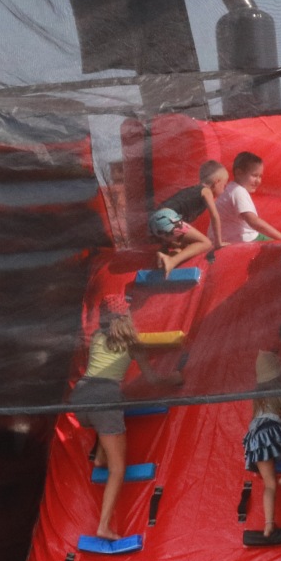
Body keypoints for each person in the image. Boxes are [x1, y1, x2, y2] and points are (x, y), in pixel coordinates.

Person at [70, 295, 178, 540]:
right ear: (126, 316)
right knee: (118, 469)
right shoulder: (132, 343)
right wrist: (173, 379)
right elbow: (152, 379)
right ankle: (104, 526)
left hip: (80, 399)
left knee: (104, 426)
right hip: (105, 400)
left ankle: (99, 457)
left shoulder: (97, 337)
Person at [242, 351, 281, 538]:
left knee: (269, 484)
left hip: (255, 439)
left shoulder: (257, 396)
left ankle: (268, 525)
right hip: (271, 432)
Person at [213, 151, 281, 246]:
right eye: (254, 175)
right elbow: (253, 221)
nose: (258, 181)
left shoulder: (229, 189)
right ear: (238, 173)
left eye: (260, 176)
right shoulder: (238, 191)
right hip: (243, 240)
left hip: (227, 239)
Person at [158, 160, 229, 245]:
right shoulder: (206, 191)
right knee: (205, 243)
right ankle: (171, 259)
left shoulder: (193, 191)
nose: (224, 189)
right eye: (224, 185)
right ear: (216, 182)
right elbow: (214, 216)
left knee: (182, 247)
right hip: (168, 218)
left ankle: (165, 256)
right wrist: (218, 242)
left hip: (158, 218)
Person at [149, 207, 213, 273]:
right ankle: (172, 261)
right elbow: (214, 215)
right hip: (169, 220)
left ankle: (163, 255)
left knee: (178, 243)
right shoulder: (206, 197)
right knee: (206, 243)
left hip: (155, 222)